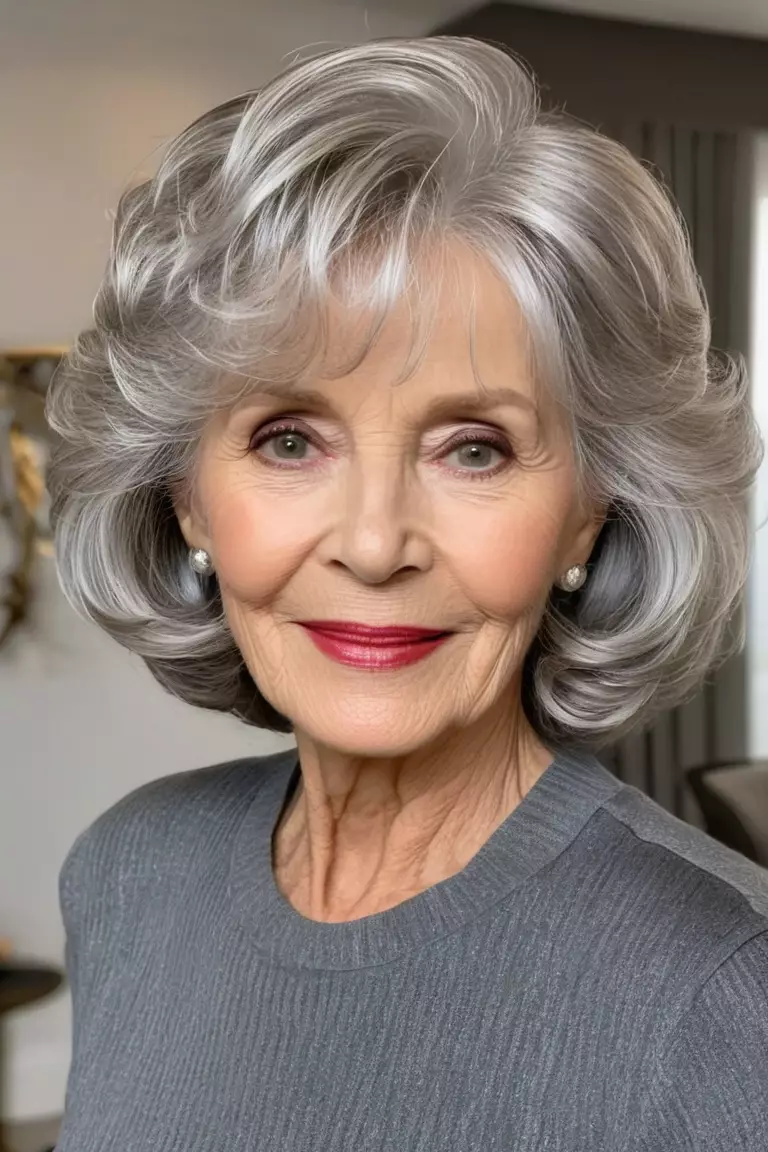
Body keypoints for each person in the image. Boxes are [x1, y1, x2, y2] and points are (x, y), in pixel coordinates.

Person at [45, 35, 767, 1152]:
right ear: (186, 498)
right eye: (288, 440)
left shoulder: (722, 985)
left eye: (473, 449)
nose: (377, 545)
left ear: (590, 509)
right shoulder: (126, 874)